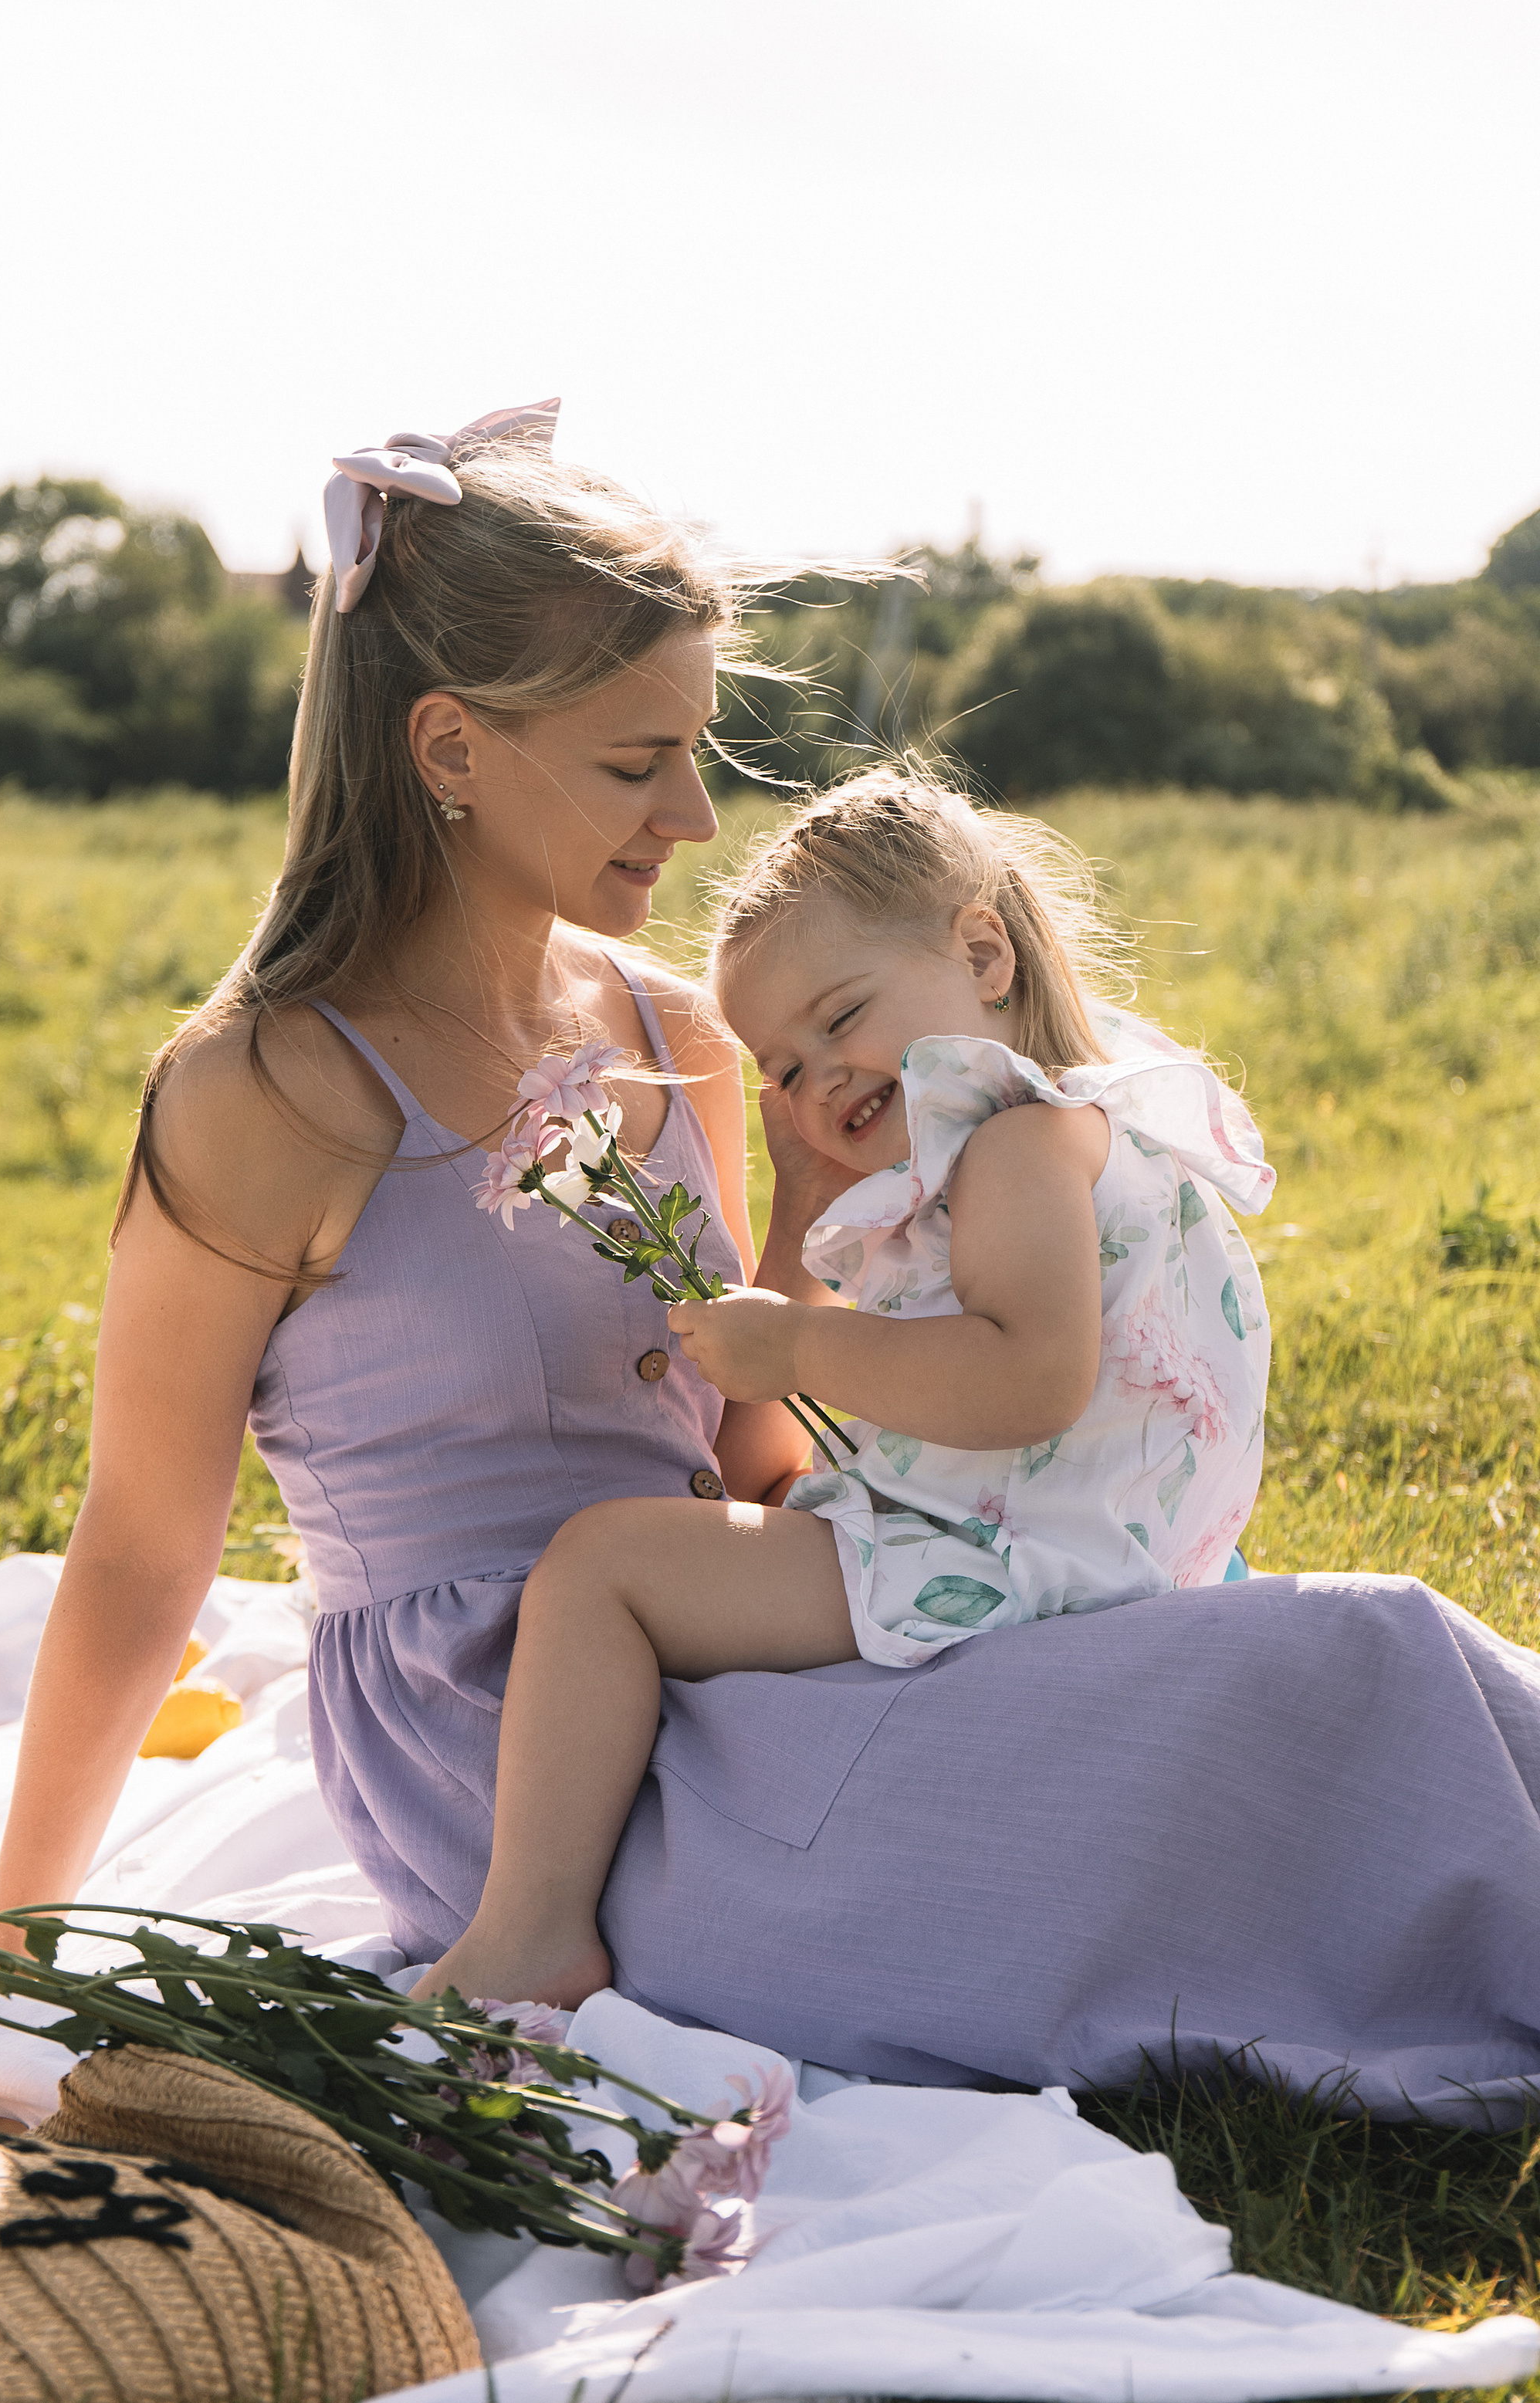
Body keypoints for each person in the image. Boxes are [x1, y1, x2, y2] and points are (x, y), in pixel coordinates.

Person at [0, 401, 1540, 2127]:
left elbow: (757, 1460)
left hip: (751, 1631)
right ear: (448, 748)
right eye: (635, 760)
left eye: (695, 748)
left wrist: (824, 1234)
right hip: (509, 1760)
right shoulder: (265, 1091)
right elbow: (140, 1548)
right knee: (1296, 1700)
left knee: (1354, 1652)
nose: (697, 812)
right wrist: (10, 1937)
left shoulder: (685, 1030)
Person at [423, 769, 1276, 2009]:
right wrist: (804, 1253)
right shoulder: (1092, 1118)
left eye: (842, 1017)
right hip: (1095, 1543)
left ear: (982, 952)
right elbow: (826, 1446)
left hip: (1019, 1562)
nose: (819, 1078)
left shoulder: (1016, 1147)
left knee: (601, 1568)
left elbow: (1032, 1378)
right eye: (782, 1064)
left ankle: (532, 1928)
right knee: (737, 1528)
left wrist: (799, 1351)